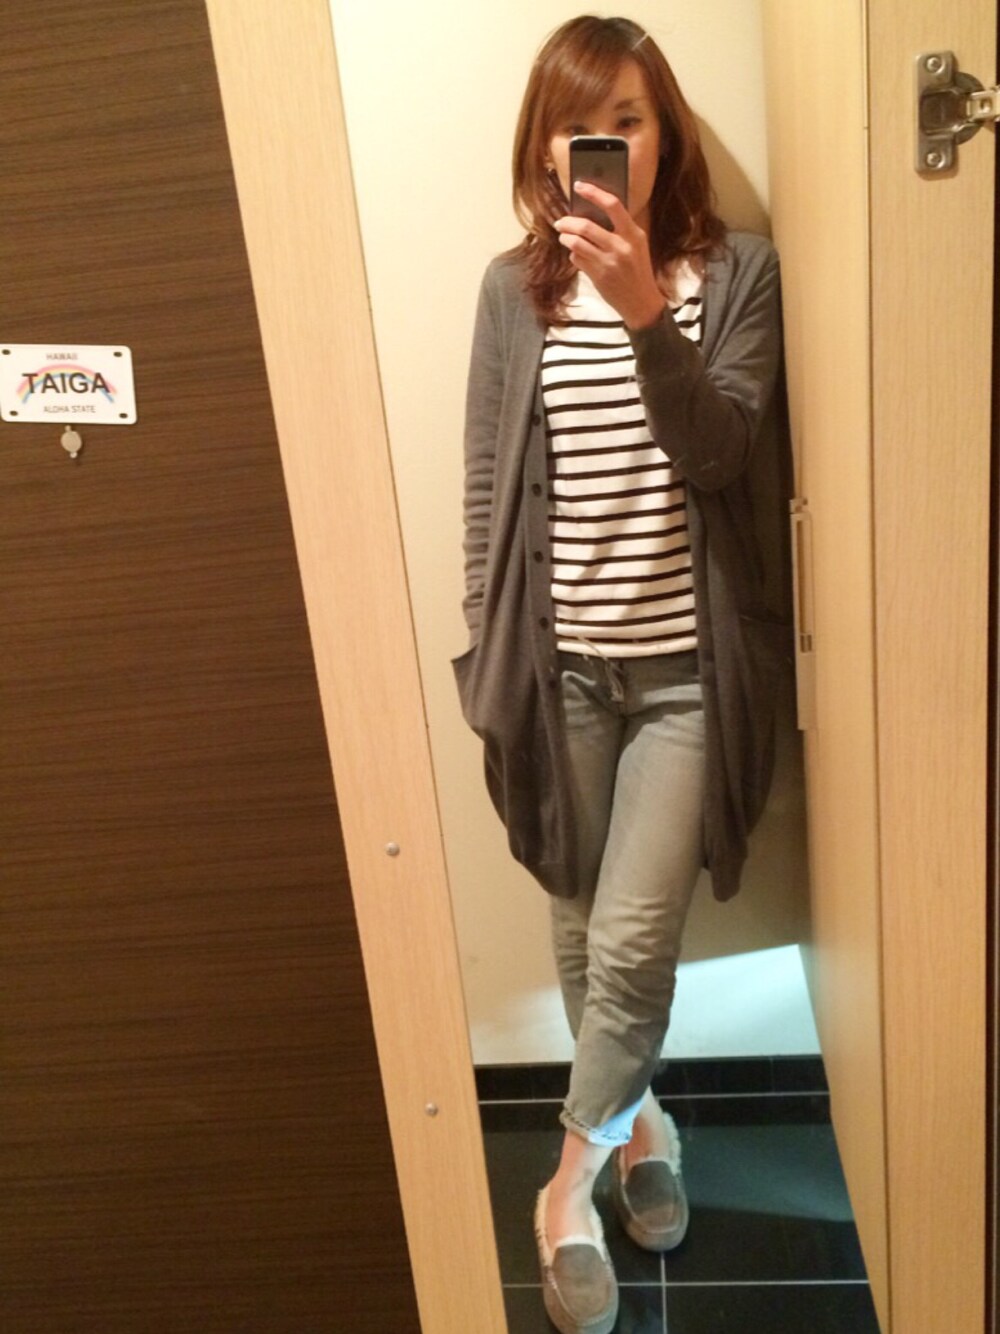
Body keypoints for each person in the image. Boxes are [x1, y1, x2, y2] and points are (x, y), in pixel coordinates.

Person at [454, 16, 789, 1334]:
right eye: (580, 126)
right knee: (580, 923)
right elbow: (487, 484)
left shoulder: (736, 274)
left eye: (631, 121)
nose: (607, 147)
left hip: (691, 679)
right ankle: (646, 1131)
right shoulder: (512, 291)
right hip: (562, 677)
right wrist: (485, 645)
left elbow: (724, 456)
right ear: (547, 148)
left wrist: (650, 312)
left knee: (637, 938)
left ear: (667, 133)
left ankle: (562, 1190)